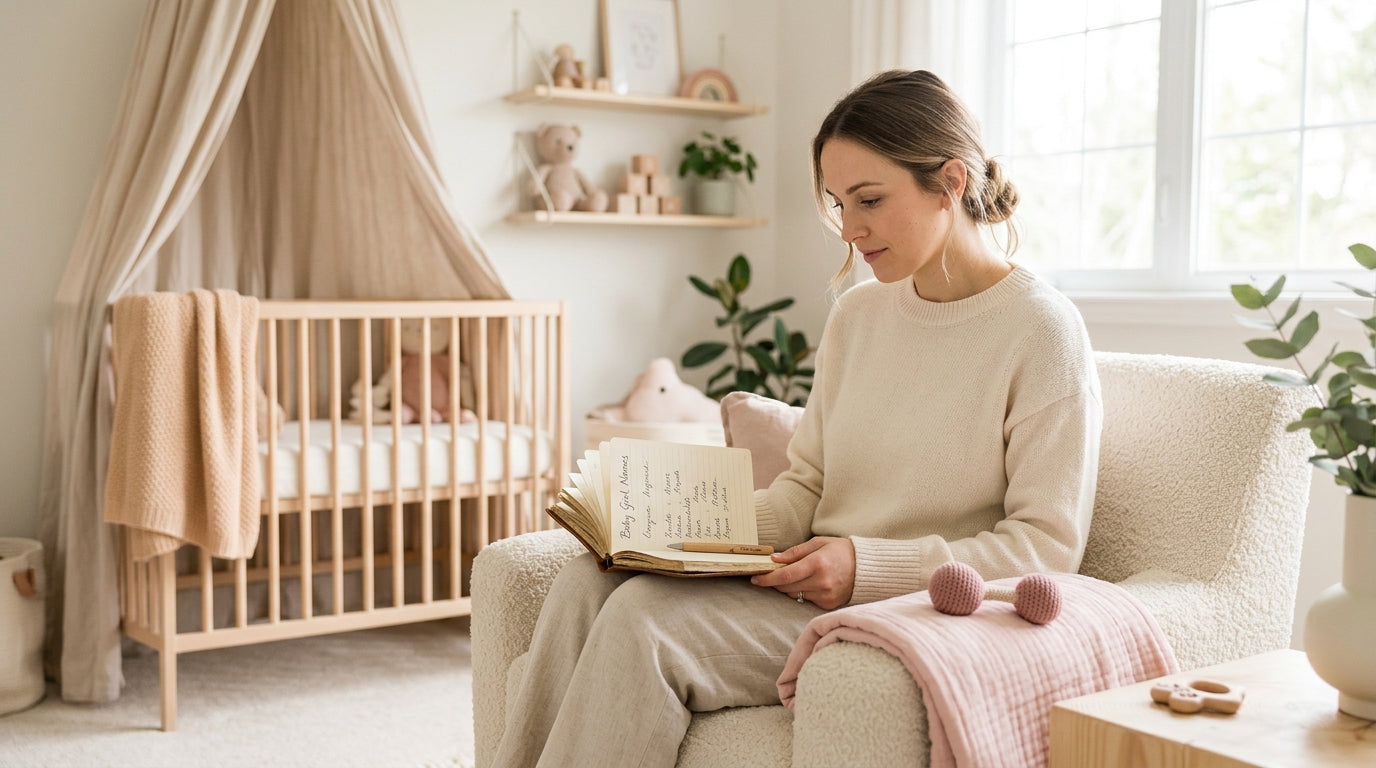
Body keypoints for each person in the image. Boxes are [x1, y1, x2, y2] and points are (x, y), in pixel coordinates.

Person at [491, 69, 1102, 768]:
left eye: (869, 200)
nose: (850, 229)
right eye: (839, 203)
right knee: (583, 582)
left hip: (918, 610)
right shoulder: (859, 314)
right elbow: (803, 489)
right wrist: (676, 526)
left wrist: (863, 566)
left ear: (951, 182)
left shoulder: (1041, 330)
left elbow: (1047, 548)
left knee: (642, 624)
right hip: (812, 587)